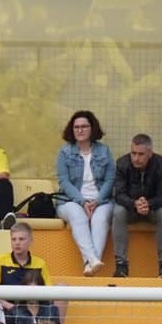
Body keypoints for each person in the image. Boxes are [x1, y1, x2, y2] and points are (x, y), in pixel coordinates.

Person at [53, 111, 115, 275]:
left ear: (92, 128)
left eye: (84, 126)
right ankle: (92, 259)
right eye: (76, 127)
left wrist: (98, 200)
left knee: (100, 219)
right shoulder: (64, 153)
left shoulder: (104, 151)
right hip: (70, 200)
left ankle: (89, 263)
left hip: (101, 200)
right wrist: (82, 202)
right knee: (77, 215)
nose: (80, 130)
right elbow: (64, 182)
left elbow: (110, 179)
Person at [111, 134, 162, 277]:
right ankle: (121, 265)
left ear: (150, 154)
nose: (136, 158)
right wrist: (134, 204)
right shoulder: (122, 164)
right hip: (131, 209)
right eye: (133, 153)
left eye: (141, 154)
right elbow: (119, 195)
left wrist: (148, 204)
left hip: (152, 209)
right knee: (118, 211)